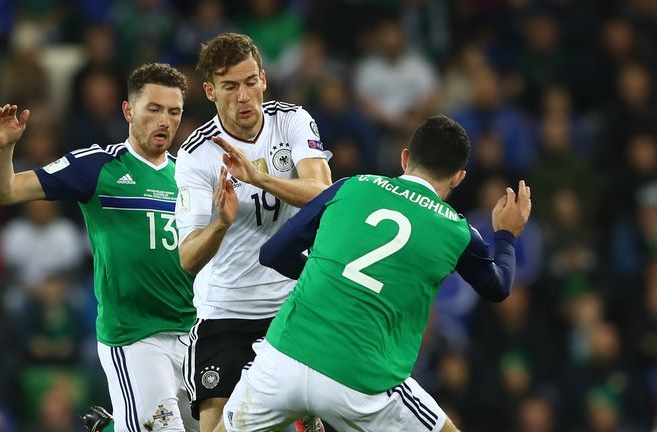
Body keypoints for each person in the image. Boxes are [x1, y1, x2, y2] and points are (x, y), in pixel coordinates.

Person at [222, 115, 533, 432]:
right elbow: (499, 288)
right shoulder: (459, 231)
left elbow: (272, 253)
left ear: (405, 157)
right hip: (360, 381)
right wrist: (507, 235)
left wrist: (328, 278)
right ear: (458, 177)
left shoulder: (351, 186)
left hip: (284, 358)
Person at [0, 63, 199, 432]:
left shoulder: (191, 174)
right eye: (154, 109)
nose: (164, 121)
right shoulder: (98, 165)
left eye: (174, 111)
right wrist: (4, 149)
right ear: (128, 111)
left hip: (194, 333)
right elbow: (3, 191)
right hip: (135, 336)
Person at [174, 33, 332, 432]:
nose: (243, 96)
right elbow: (189, 258)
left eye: (250, 82)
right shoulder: (197, 155)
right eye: (230, 86)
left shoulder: (292, 120)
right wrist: (221, 224)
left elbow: (323, 192)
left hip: (291, 308)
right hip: (225, 314)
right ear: (210, 91)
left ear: (263, 79)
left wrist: (258, 177)